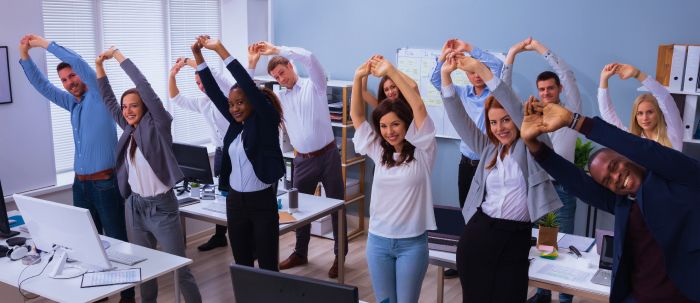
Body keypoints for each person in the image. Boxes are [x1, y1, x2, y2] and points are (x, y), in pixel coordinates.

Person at [520, 99, 699, 303]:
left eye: (615, 166)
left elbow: (645, 150)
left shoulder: (682, 178)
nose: (617, 177)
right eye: (608, 180)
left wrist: (574, 121)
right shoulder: (624, 203)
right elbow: (577, 183)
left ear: (627, 157)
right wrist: (534, 146)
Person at [18, 35, 134, 303]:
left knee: (118, 243)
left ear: (81, 76)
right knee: (86, 247)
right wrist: (25, 56)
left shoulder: (99, 95)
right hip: (80, 185)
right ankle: (98, 295)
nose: (70, 83)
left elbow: (78, 62)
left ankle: (128, 298)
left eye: (72, 77)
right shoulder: (73, 104)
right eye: (65, 80)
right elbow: (43, 87)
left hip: (105, 183)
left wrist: (44, 45)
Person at [441, 52, 561, 303]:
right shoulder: (488, 149)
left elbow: (516, 107)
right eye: (493, 122)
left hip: (516, 238)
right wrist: (445, 76)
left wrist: (480, 70)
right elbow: (459, 118)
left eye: (506, 120)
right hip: (479, 233)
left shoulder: (532, 145)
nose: (500, 127)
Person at [96, 47, 202, 303]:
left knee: (181, 268)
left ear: (145, 106)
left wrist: (119, 56)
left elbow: (143, 85)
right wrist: (99, 67)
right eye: (125, 107)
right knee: (143, 269)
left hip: (162, 208)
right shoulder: (127, 129)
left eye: (134, 105)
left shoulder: (159, 125)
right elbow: (108, 100)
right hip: (135, 207)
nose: (128, 110)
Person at [251, 41, 347, 278]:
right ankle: (300, 252)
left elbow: (311, 58)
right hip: (302, 161)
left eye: (282, 72)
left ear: (291, 66)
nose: (280, 78)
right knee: (299, 209)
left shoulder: (315, 85)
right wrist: (252, 63)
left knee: (337, 208)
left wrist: (277, 50)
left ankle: (339, 256)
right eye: (276, 76)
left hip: (328, 156)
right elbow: (250, 95)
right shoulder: (279, 98)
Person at [191, 36, 285, 271]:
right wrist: (198, 57)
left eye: (240, 102)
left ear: (253, 102)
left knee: (267, 266)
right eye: (231, 103)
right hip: (235, 203)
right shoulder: (235, 125)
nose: (234, 108)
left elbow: (246, 83)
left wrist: (221, 49)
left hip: (262, 203)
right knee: (242, 264)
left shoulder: (265, 121)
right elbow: (212, 90)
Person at [351, 55, 436, 303]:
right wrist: (358, 79)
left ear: (407, 124)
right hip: (378, 241)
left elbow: (418, 106)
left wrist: (391, 71)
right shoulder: (379, 150)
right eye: (384, 126)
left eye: (396, 124)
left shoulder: (423, 150)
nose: (390, 132)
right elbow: (357, 116)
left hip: (412, 244)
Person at [502, 37, 581, 303]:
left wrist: (539, 49)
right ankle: (544, 293)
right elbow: (504, 91)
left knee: (565, 245)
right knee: (544, 245)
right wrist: (512, 53)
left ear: (558, 89)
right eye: (542, 89)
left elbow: (567, 74)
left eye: (550, 88)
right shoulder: (531, 117)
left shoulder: (571, 111)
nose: (546, 93)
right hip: (539, 187)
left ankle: (565, 299)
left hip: (564, 189)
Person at [430, 38, 504, 279]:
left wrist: (471, 50)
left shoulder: (494, 95)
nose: (477, 76)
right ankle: (466, 261)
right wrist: (442, 58)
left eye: (479, 71)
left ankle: (488, 261)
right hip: (466, 163)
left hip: (490, 164)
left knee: (489, 213)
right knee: (467, 212)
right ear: (467, 75)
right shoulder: (460, 93)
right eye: (471, 72)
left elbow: (497, 67)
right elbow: (435, 80)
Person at [169, 55, 235, 252]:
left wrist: (190, 62)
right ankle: (220, 236)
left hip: (238, 152)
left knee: (239, 196)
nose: (200, 85)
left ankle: (249, 238)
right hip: (221, 153)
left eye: (202, 81)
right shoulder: (203, 103)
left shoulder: (227, 97)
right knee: (221, 195)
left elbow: (214, 74)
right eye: (197, 83)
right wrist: (172, 75)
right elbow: (176, 99)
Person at [598, 63, 682, 151]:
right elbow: (607, 113)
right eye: (640, 113)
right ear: (635, 116)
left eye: (650, 112)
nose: (645, 118)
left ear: (658, 112)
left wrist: (637, 74)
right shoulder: (632, 139)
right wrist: (603, 79)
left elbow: (665, 98)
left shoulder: (673, 133)